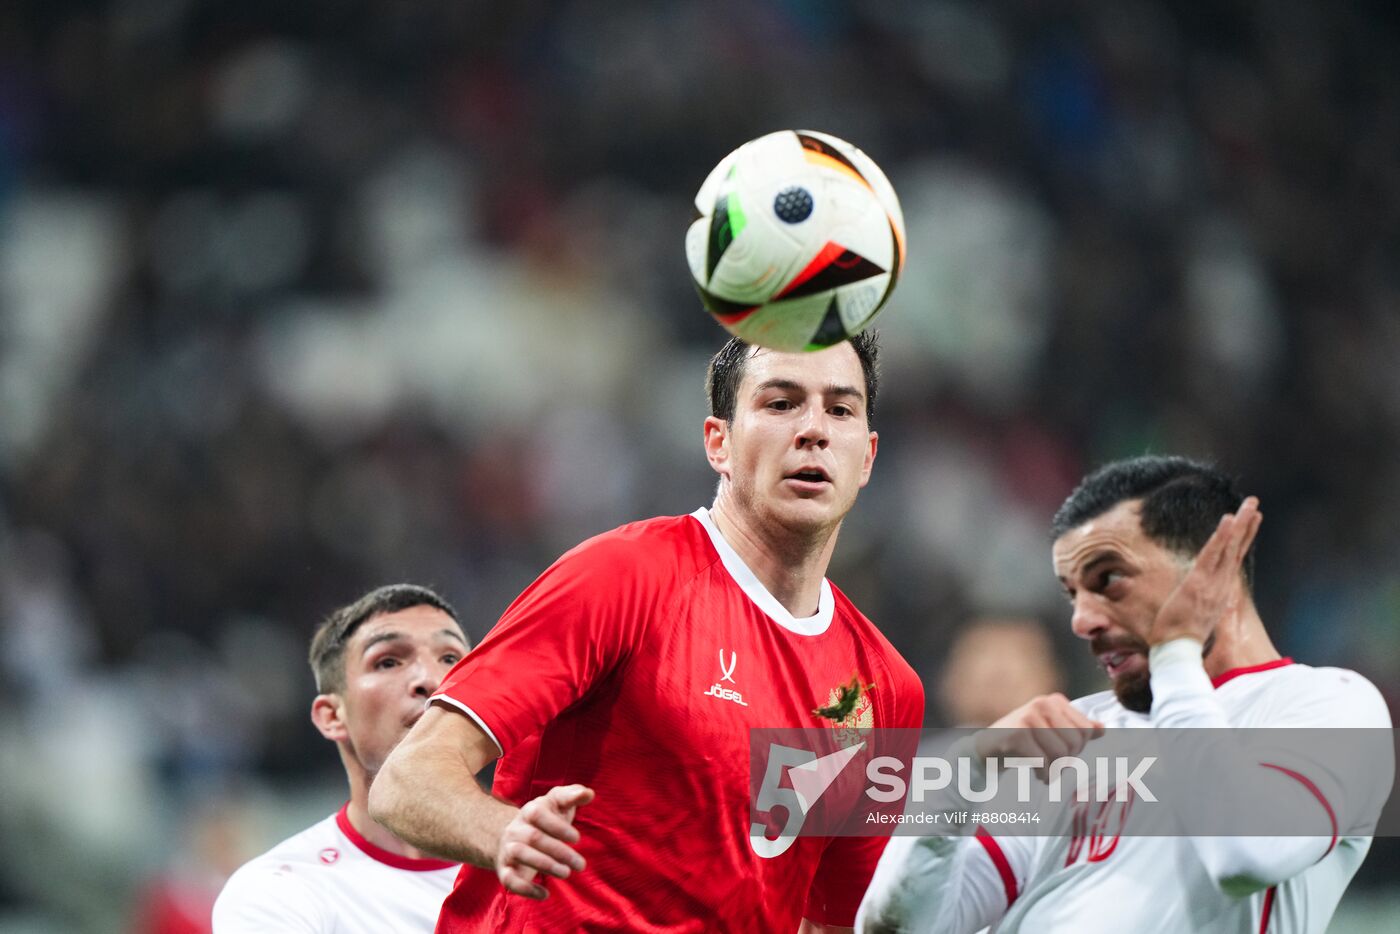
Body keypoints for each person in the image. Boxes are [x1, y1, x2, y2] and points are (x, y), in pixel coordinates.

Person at [369, 333, 925, 932]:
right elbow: (407, 780)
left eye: (839, 409)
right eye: (781, 403)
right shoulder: (623, 577)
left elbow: (833, 921)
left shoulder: (887, 691)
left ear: (866, 457)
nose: (813, 429)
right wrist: (502, 831)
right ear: (720, 443)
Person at [857, 455, 1393, 933]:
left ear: (1217, 565)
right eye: (1072, 594)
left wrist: (1177, 653)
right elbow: (899, 928)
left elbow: (1244, 856)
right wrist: (968, 767)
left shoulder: (1328, 705)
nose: (1082, 620)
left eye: (1109, 579)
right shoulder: (1079, 737)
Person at [212, 585, 470, 933]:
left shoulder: (549, 865)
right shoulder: (279, 891)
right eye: (388, 661)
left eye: (451, 658)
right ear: (332, 715)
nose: (431, 680)